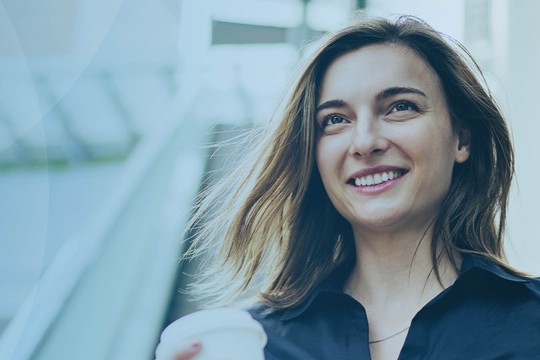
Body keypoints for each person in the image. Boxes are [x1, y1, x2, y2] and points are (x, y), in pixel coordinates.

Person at [171, 14, 540, 360]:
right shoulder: (258, 345)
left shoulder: (531, 322)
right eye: (335, 119)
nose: (364, 142)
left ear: (461, 138)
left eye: (400, 107)